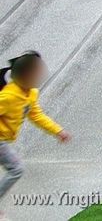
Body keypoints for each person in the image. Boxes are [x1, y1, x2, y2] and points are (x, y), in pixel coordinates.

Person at [0, 52, 70, 203]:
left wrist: (58, 131)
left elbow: (37, 116)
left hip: (4, 140)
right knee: (16, 169)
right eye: (36, 73)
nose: (40, 77)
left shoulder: (31, 93)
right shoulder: (9, 96)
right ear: (25, 76)